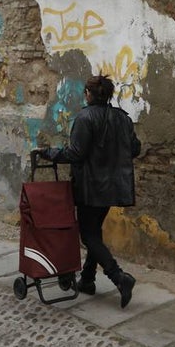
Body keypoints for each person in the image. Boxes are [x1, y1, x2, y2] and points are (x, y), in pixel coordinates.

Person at [39, 74, 140, 307]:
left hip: (90, 187)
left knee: (88, 235)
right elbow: (135, 148)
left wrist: (49, 153)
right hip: (112, 187)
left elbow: (75, 153)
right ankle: (87, 279)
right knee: (94, 231)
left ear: (88, 94)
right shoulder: (122, 119)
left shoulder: (85, 118)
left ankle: (119, 277)